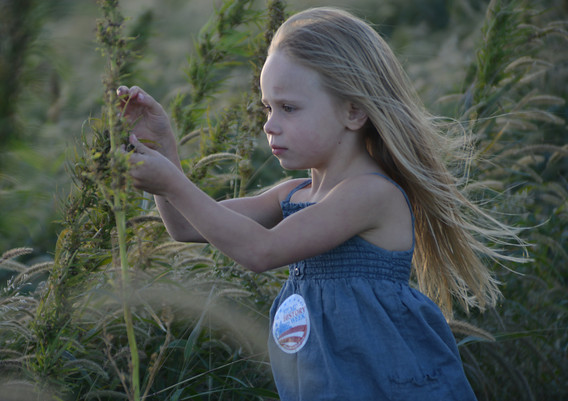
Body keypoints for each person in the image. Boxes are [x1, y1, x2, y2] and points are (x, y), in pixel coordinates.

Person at [117, 7, 522, 400]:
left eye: (289, 108)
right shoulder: (293, 195)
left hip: (390, 386)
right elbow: (186, 227)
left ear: (354, 110)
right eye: (268, 107)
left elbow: (261, 250)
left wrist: (173, 182)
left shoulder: (371, 194)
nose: (269, 124)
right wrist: (164, 149)